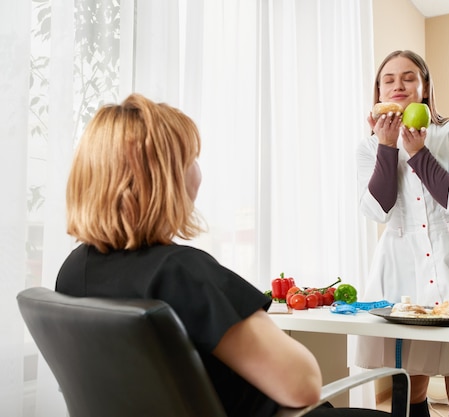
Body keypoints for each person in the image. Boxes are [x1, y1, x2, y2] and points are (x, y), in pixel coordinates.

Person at [56, 93, 393, 417]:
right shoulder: (181, 272)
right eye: (191, 160)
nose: (197, 172)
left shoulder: (72, 271)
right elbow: (302, 384)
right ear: (164, 180)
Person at [355, 50, 449, 417]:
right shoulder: (368, 145)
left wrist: (418, 152)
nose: (398, 85)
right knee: (410, 380)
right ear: (378, 89)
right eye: (388, 79)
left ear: (424, 86)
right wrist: (387, 148)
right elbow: (376, 211)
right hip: (401, 266)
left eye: (408, 77)